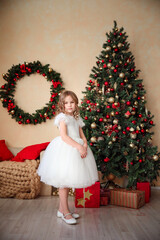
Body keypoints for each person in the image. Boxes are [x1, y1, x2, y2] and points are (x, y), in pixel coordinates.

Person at [37, 90, 98, 225]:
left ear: (76, 104)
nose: (69, 105)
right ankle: (65, 212)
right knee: (63, 183)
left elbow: (81, 134)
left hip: (77, 149)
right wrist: (79, 146)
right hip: (66, 149)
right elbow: (64, 137)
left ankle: (61, 209)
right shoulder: (62, 118)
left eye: (72, 102)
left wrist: (85, 143)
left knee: (69, 181)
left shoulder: (76, 118)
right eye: (66, 103)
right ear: (62, 105)